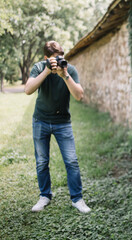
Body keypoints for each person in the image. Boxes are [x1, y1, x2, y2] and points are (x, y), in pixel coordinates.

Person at [25, 41, 91, 213]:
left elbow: (79, 96)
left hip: (63, 123)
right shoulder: (39, 67)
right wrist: (47, 71)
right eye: (55, 59)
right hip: (41, 121)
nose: (59, 60)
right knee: (42, 162)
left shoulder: (69, 69)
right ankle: (44, 196)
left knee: (71, 161)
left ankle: (77, 199)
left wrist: (65, 75)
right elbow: (28, 90)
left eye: (61, 57)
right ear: (46, 58)